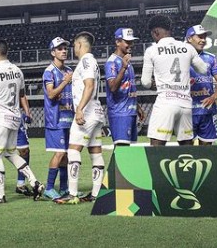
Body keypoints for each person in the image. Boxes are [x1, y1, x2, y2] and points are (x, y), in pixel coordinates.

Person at [0, 39, 45, 204]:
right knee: (11, 153)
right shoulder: (18, 71)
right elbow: (22, 94)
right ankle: (35, 183)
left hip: (0, 118)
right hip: (15, 118)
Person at [140, 15, 208, 146]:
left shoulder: (151, 50)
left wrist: (156, 85)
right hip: (185, 103)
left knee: (156, 145)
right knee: (186, 145)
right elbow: (203, 69)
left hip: (165, 102)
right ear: (170, 29)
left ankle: (156, 167)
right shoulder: (188, 48)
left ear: (155, 32)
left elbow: (146, 82)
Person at [56, 32, 105, 205]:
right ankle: (96, 193)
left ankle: (72, 193)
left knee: (73, 150)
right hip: (97, 112)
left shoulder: (85, 61)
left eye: (74, 46)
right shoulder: (92, 61)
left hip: (88, 112)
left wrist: (79, 109)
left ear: (79, 44)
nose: (73, 49)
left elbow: (89, 85)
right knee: (95, 151)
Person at [42, 37, 74, 200]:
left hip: (68, 118)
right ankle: (48, 188)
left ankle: (63, 188)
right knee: (60, 154)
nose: (64, 51)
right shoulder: (49, 71)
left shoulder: (68, 70)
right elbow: (51, 94)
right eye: (60, 49)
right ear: (53, 52)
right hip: (55, 119)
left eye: (65, 48)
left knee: (66, 155)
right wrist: (64, 82)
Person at [185, 24, 217, 145]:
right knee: (185, 151)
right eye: (199, 37)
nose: (203, 40)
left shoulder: (211, 58)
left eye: (204, 37)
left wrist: (214, 97)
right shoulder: (180, 58)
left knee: (207, 152)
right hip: (186, 111)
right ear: (189, 38)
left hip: (207, 111)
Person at [104, 28, 145, 147]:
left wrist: (138, 108)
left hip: (130, 112)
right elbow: (112, 87)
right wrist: (123, 68)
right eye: (127, 42)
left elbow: (129, 89)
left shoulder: (127, 62)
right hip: (120, 113)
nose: (131, 45)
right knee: (122, 150)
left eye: (132, 42)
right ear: (118, 42)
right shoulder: (112, 62)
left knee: (130, 152)